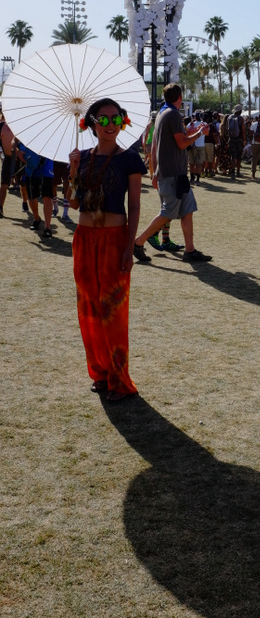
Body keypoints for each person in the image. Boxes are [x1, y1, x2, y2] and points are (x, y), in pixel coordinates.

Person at [68, 97, 147, 401]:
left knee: (112, 312)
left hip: (115, 240)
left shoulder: (130, 159)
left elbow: (135, 205)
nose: (110, 124)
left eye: (116, 119)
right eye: (104, 119)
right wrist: (73, 169)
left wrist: (130, 246)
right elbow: (74, 203)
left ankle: (119, 380)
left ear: (123, 122)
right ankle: (100, 372)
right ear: (92, 124)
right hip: (84, 239)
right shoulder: (83, 157)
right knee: (88, 309)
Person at [133, 83, 212, 263]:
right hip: (173, 173)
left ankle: (190, 250)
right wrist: (200, 133)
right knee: (168, 212)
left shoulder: (162, 113)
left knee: (188, 210)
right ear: (180, 97)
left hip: (172, 173)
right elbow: (182, 143)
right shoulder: (174, 114)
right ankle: (138, 242)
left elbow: (158, 144)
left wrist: (154, 171)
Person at [228, 104, 246, 179]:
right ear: (240, 111)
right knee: (239, 156)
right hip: (239, 139)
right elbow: (243, 130)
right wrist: (244, 139)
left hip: (231, 139)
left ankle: (232, 172)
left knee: (233, 156)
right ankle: (238, 172)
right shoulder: (241, 118)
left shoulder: (230, 117)